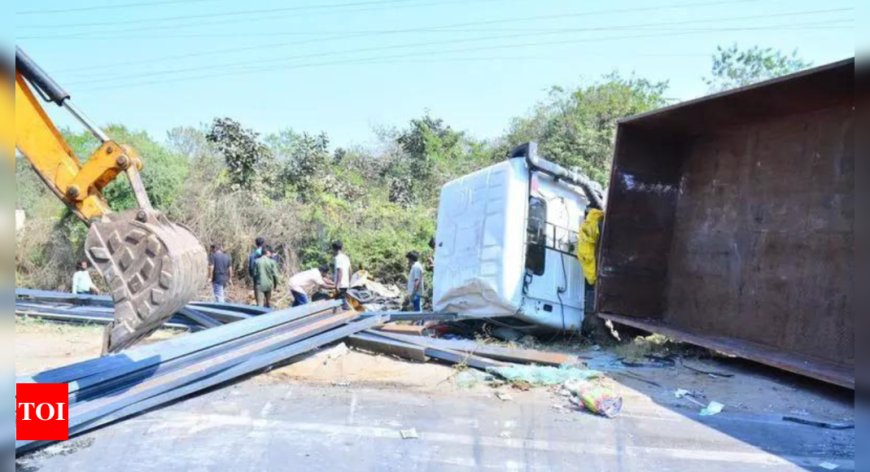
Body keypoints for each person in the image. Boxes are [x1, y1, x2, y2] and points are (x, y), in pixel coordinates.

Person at [332, 241, 351, 310]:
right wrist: (349, 281)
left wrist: (338, 284)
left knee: (340, 303)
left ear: (334, 249)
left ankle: (347, 316)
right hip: (345, 284)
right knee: (340, 302)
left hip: (340, 285)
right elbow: (350, 270)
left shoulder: (338, 258)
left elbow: (340, 271)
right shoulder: (346, 257)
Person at [247, 236, 265, 302]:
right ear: (263, 244)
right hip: (267, 280)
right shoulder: (267, 254)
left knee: (259, 300)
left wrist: (253, 276)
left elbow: (251, 268)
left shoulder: (253, 255)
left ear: (256, 244)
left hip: (257, 279)